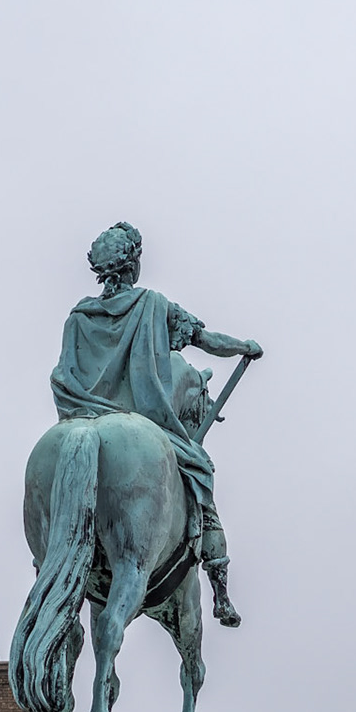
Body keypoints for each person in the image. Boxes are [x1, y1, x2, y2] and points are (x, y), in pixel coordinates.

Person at [51, 222, 261, 626]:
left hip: (81, 416)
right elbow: (206, 340)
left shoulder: (78, 317)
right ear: (134, 265)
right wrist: (245, 346)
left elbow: (67, 375)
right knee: (201, 473)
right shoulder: (153, 304)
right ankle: (220, 593)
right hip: (147, 424)